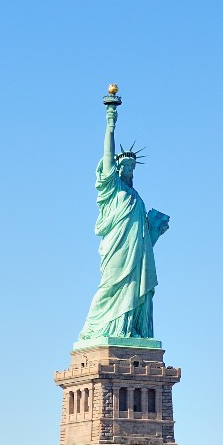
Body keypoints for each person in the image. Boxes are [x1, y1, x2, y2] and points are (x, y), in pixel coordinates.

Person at [79, 103, 170, 341]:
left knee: (134, 290)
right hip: (117, 251)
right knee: (110, 286)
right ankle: (97, 329)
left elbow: (143, 239)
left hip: (137, 254)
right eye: (124, 166)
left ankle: (129, 330)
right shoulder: (112, 190)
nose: (129, 170)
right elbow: (108, 157)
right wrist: (111, 124)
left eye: (132, 167)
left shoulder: (137, 199)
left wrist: (155, 230)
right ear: (117, 170)